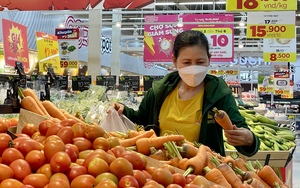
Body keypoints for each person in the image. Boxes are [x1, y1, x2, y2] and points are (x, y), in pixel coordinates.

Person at [111, 30, 260, 157]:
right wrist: (125, 110)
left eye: (200, 62)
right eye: (187, 62)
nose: (193, 68)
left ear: (209, 60)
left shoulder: (218, 94)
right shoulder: (159, 91)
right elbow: (141, 120)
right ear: (175, 62)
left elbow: (239, 131)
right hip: (161, 169)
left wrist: (250, 140)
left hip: (204, 172)